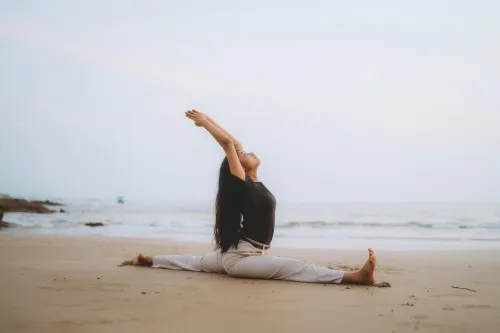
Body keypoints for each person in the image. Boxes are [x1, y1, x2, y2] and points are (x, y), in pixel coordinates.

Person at [123, 110, 376, 285]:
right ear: (238, 167)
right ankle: (355, 277)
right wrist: (204, 123)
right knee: (294, 268)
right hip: (241, 259)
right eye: (243, 154)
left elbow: (233, 142)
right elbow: (227, 145)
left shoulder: (254, 184)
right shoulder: (242, 184)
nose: (249, 151)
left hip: (239, 254)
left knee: (194, 262)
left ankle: (148, 260)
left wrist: (207, 118)